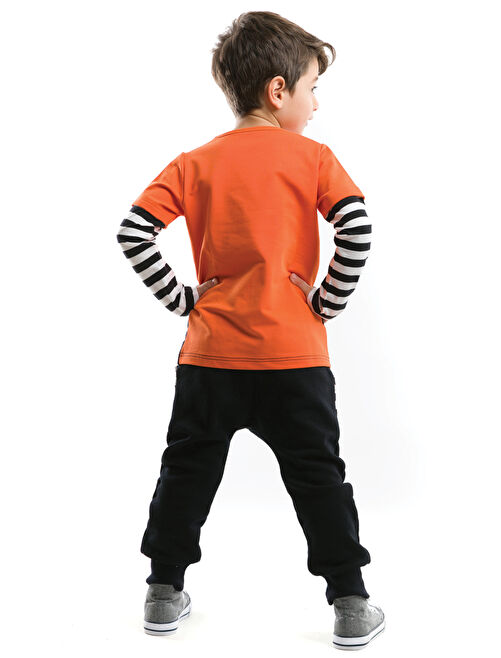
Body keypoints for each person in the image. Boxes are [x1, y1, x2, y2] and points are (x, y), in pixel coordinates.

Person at [117, 10, 385, 650]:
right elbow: (356, 228)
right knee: (319, 477)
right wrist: (326, 303)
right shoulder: (313, 158)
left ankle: (162, 592)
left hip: (210, 358)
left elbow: (133, 233)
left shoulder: (195, 163)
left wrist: (184, 300)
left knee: (186, 473)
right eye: (312, 88)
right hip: (295, 358)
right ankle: (350, 602)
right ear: (277, 90)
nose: (316, 104)